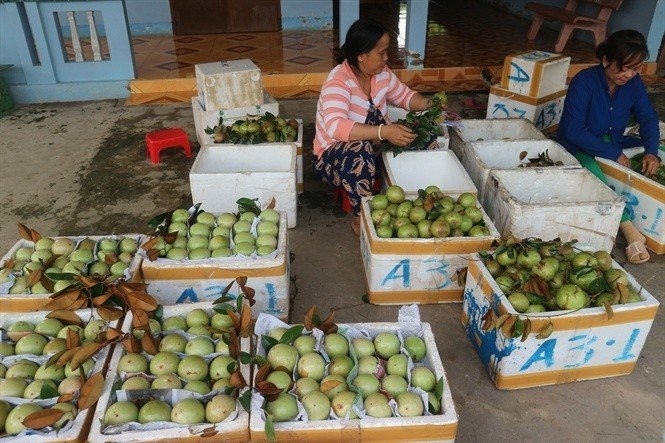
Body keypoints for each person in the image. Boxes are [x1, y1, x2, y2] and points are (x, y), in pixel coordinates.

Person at [313, 18, 441, 235]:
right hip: (334, 158)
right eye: (381, 53)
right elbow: (336, 127)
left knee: (423, 135)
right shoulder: (339, 81)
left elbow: (405, 97)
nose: (386, 58)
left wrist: (431, 104)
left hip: (376, 144)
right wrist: (384, 131)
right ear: (361, 55)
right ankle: (360, 216)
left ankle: (416, 200)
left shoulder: (382, 73)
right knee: (359, 150)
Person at [557, 29, 661, 264]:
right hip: (577, 144)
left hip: (613, 140)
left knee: (650, 148)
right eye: (623, 68)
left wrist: (652, 152)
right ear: (606, 60)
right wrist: (614, 153)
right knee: (589, 169)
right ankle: (628, 229)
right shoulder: (584, 81)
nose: (628, 75)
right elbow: (574, 130)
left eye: (635, 69)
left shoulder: (634, 85)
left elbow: (647, 118)